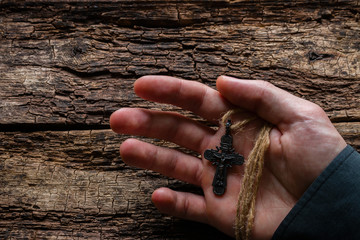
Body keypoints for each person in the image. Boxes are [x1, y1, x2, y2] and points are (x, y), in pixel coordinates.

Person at [110, 75, 360, 239]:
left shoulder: (229, 158)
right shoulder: (221, 156)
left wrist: (337, 183)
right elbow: (218, 156)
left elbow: (232, 159)